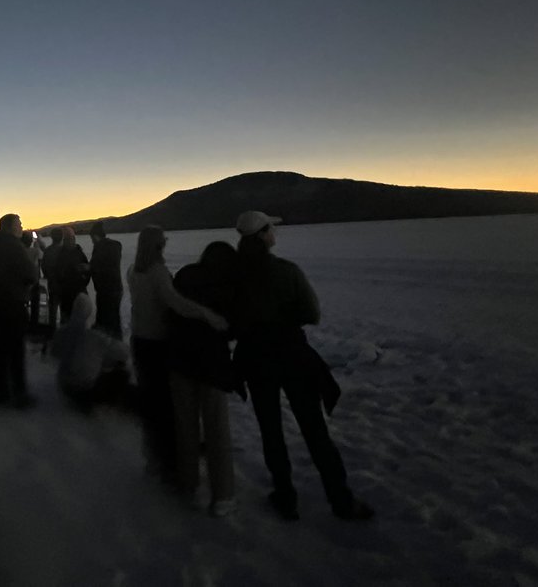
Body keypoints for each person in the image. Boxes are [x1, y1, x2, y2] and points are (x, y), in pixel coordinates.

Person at [232, 211, 374, 522]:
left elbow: (231, 319)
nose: (275, 233)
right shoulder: (287, 271)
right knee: (314, 429)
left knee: (270, 431)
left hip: (255, 359)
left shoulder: (234, 276)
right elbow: (312, 313)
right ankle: (341, 500)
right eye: (271, 229)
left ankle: (285, 498)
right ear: (263, 235)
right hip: (291, 354)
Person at [126, 225, 228, 486]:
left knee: (151, 402)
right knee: (164, 405)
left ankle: (153, 458)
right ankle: (169, 463)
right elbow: (176, 303)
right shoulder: (158, 272)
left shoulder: (133, 270)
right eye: (164, 241)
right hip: (157, 344)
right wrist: (208, 315)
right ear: (158, 245)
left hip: (139, 340)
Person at [168, 241, 241, 516]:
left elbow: (172, 311)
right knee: (217, 430)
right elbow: (231, 327)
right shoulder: (227, 285)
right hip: (211, 364)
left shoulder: (185, 274)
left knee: (185, 427)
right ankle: (223, 495)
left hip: (180, 360)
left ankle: (188, 483)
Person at [0, 213, 39, 407]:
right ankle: (19, 393)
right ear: (10, 227)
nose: (22, 226)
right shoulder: (14, 246)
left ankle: (1, 390)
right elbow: (31, 273)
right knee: (16, 351)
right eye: (19, 224)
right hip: (13, 304)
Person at [51, 291, 131, 410]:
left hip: (64, 386)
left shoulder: (62, 332)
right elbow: (124, 353)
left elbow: (54, 352)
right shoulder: (95, 337)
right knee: (122, 374)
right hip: (85, 391)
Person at [88, 220, 124, 339]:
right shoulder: (114, 246)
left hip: (106, 290)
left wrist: (86, 268)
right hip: (115, 288)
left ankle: (109, 345)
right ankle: (117, 344)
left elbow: (96, 266)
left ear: (95, 236)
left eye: (92, 238)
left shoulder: (100, 248)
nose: (92, 241)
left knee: (107, 319)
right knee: (114, 318)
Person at [53, 227, 91, 321]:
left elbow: (87, 271)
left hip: (79, 294)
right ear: (64, 240)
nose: (71, 240)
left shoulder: (79, 253)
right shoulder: (60, 255)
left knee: (80, 321)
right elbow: (58, 275)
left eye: (72, 238)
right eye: (68, 238)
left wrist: (83, 278)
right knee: (67, 321)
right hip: (66, 296)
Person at [40, 227, 65, 332]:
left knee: (53, 308)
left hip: (52, 283)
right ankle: (64, 330)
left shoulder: (48, 251)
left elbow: (44, 266)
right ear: (62, 237)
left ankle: (52, 330)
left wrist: (48, 275)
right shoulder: (65, 250)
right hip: (64, 284)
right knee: (65, 308)